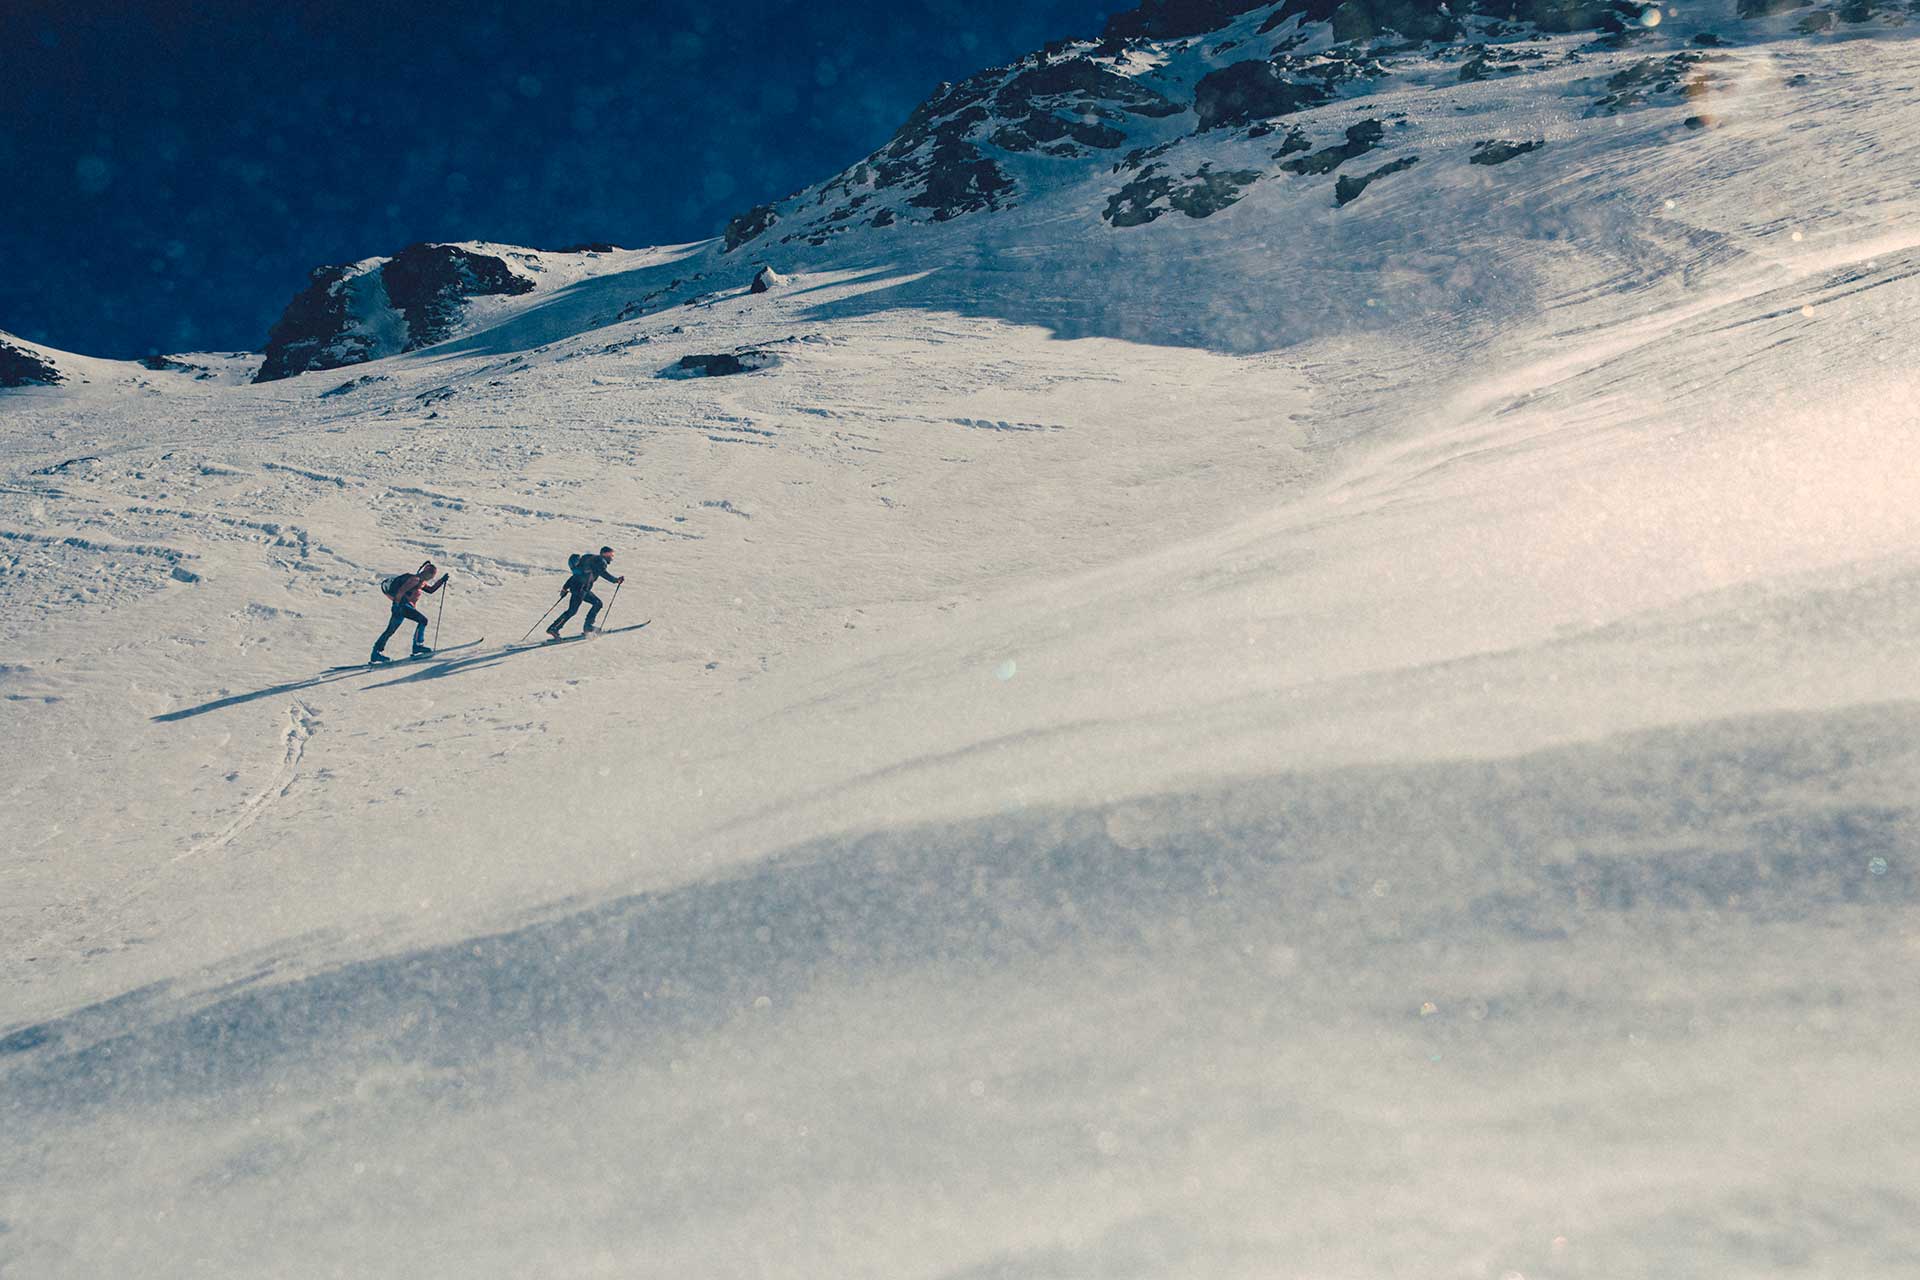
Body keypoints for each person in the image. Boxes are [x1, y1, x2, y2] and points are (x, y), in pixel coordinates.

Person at [372, 559, 449, 663]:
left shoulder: (420, 582)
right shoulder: (415, 580)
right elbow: (400, 592)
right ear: (425, 572)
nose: (431, 577)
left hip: (400, 607)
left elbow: (431, 590)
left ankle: (376, 653)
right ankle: (418, 646)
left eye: (432, 575)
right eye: (431, 574)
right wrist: (396, 605)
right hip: (402, 606)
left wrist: (442, 580)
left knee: (390, 630)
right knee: (423, 620)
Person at [550, 545, 625, 638]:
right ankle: (554, 628)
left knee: (596, 603)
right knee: (574, 610)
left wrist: (565, 587)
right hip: (581, 589)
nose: (612, 558)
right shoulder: (600, 561)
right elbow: (603, 573)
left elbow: (575, 576)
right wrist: (615, 580)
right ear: (605, 554)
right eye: (611, 555)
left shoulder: (591, 560)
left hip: (580, 588)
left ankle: (587, 627)